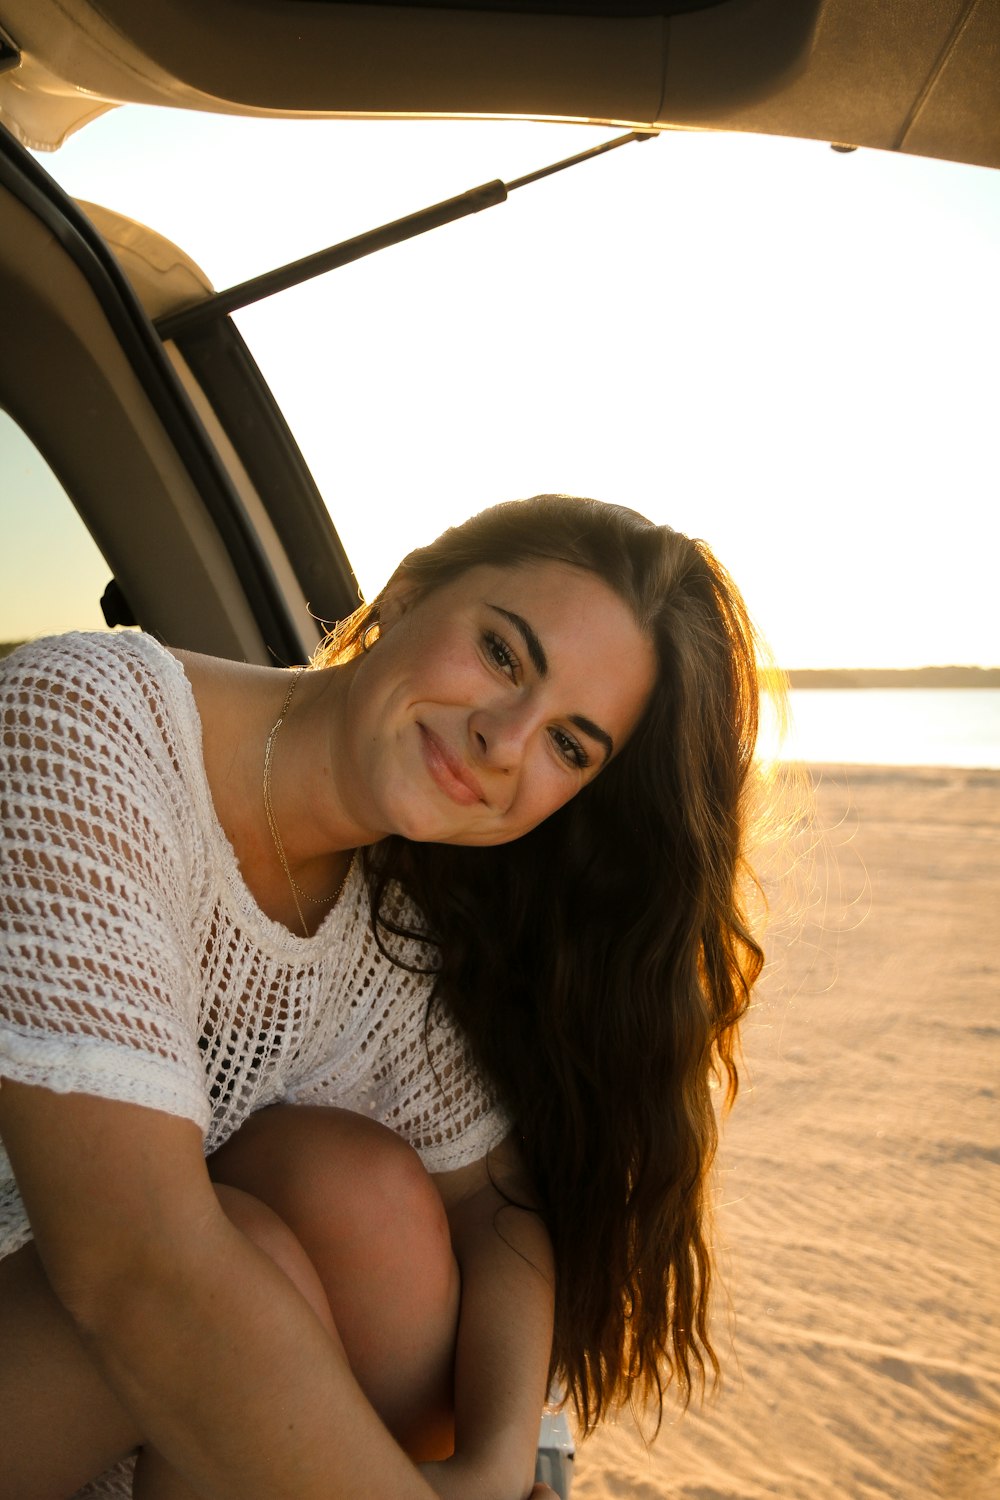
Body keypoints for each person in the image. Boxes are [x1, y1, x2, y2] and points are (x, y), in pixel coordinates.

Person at [0, 493, 765, 1500]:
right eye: (502, 655)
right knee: (244, 1249)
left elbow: (496, 1205)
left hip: (133, 1413)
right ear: (404, 596)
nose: (504, 739)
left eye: (569, 747)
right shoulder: (84, 724)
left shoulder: (387, 916)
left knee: (352, 1187)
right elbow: (137, 1270)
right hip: (89, 1334)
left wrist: (501, 1459)